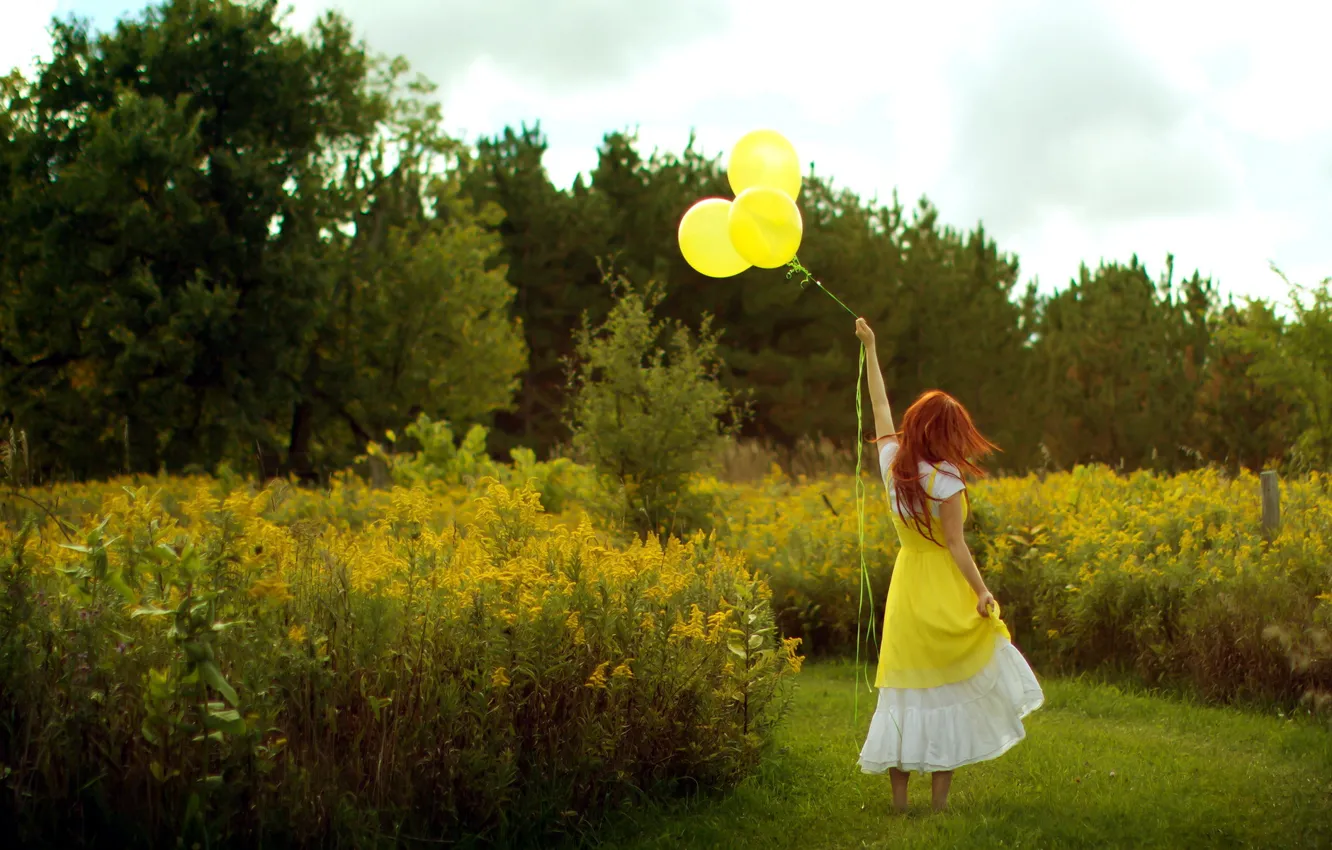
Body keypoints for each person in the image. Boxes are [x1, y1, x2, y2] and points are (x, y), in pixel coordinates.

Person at [853, 316, 1044, 814]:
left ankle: (899, 803)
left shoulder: (891, 462)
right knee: (946, 689)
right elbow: (957, 546)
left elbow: (878, 403)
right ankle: (938, 807)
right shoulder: (947, 480)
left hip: (906, 584)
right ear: (947, 435)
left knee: (901, 689)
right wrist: (981, 593)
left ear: (914, 426)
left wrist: (870, 347)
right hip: (941, 584)